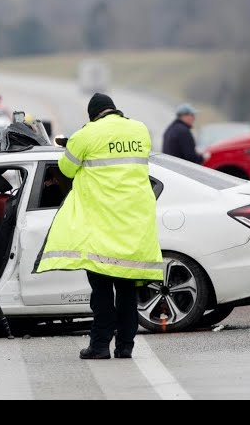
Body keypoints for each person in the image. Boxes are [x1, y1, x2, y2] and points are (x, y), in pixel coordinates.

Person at [33, 92, 163, 360]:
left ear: (92, 115)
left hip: (102, 227)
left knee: (102, 293)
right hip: (134, 225)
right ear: (114, 109)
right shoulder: (140, 130)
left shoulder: (87, 134)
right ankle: (125, 347)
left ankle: (100, 345)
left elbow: (65, 169)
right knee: (127, 292)